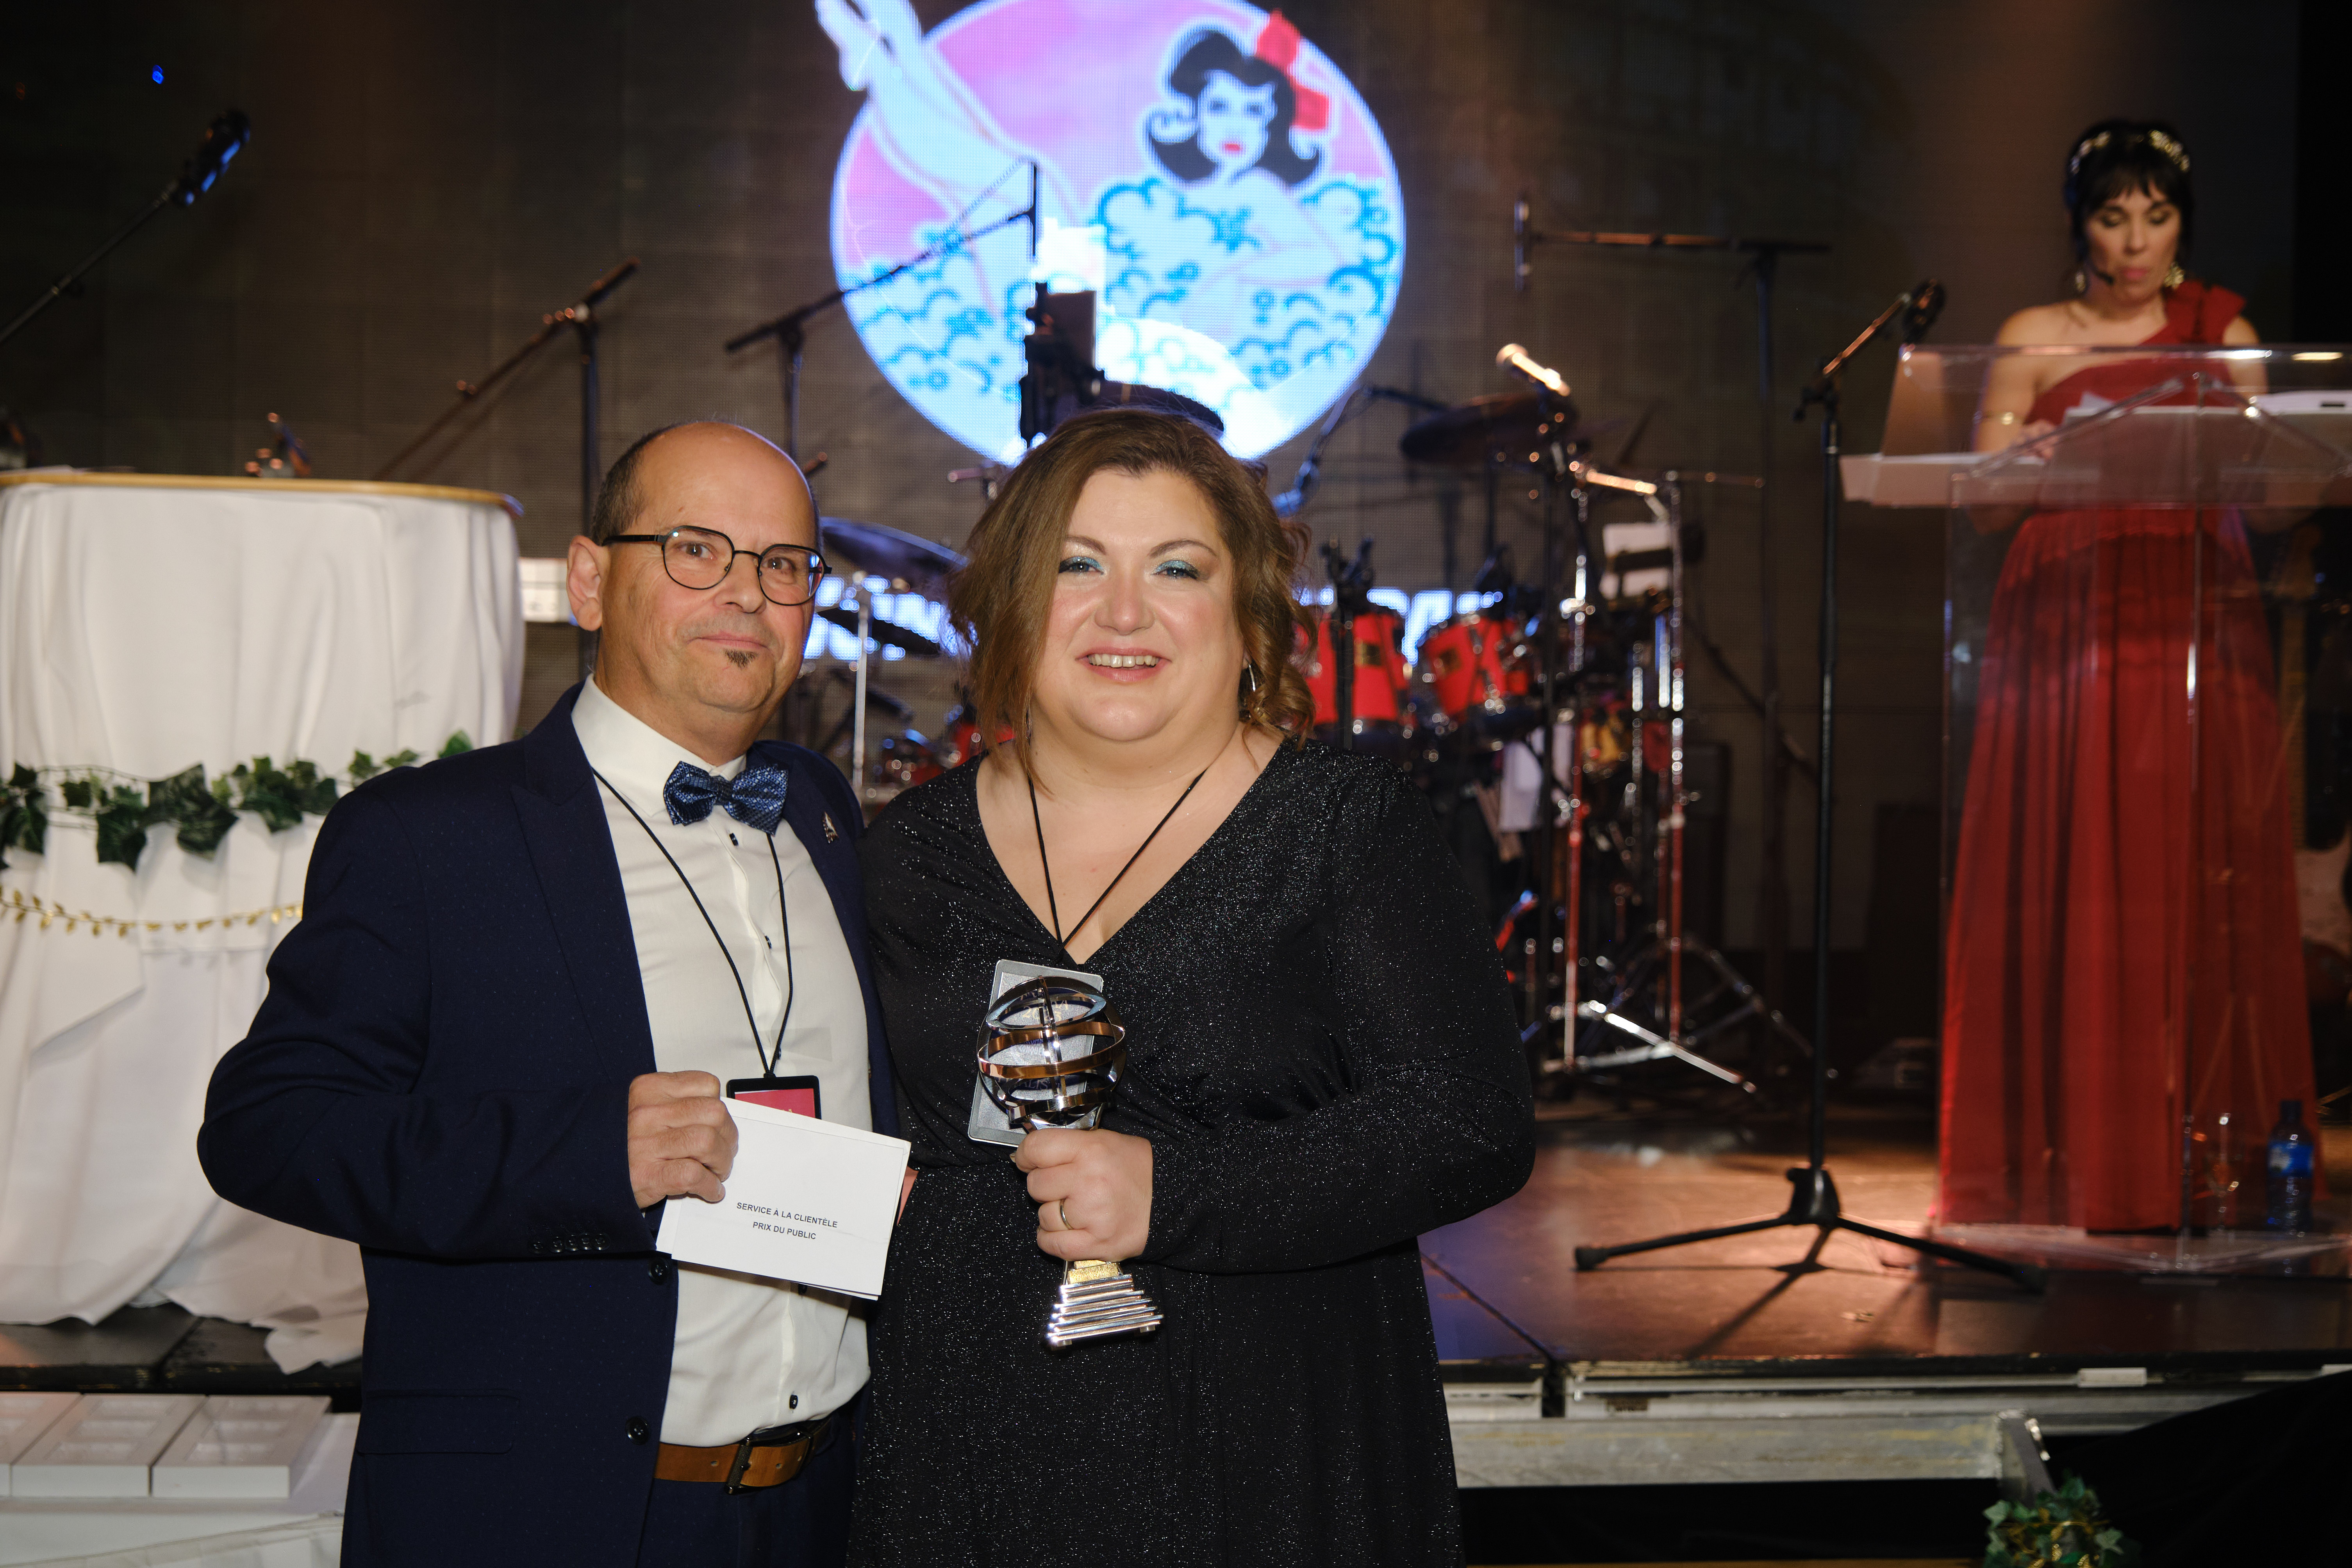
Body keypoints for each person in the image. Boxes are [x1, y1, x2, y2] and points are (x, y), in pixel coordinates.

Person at [199, 422, 896, 1567]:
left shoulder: (820, 807)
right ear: (588, 580)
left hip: (823, 1506)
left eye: (783, 564)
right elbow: (267, 1128)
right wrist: (583, 1157)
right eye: (696, 549)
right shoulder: (430, 836)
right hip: (553, 1513)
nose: (747, 593)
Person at [849, 408, 1535, 1566]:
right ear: (1012, 604)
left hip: (1267, 1456)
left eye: (1178, 568)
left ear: (1249, 617)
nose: (1124, 612)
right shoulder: (910, 852)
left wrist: (1178, 1191)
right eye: (1077, 566)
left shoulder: (1346, 831)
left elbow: (1467, 1123)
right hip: (970, 1454)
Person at [1940, 121, 2318, 1231]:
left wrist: (2297, 462)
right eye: (2115, 218)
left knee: (2187, 864)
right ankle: (2069, 1156)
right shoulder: (2033, 336)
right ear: (2083, 228)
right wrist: (2062, 451)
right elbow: (1987, 501)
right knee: (2073, 861)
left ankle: (2202, 1158)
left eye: (2159, 216)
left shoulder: (2222, 331)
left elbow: (2274, 503)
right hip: (2069, 605)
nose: (2139, 241)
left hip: (2190, 607)